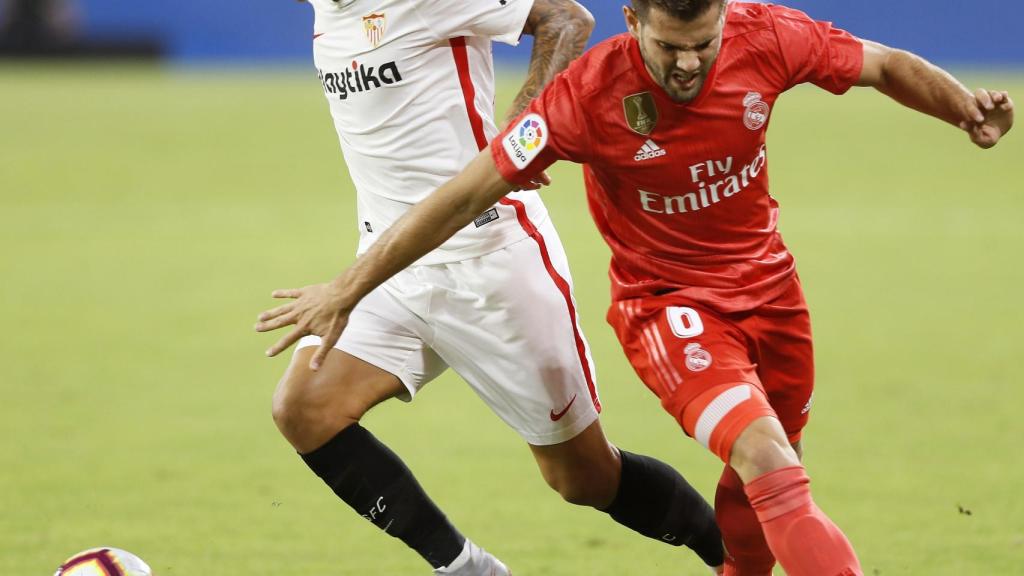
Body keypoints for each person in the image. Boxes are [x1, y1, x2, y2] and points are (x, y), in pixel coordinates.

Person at [257, 0, 1015, 575]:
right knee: (302, 409)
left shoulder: (767, 37)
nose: (689, 66)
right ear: (637, 22)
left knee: (618, 482)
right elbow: (462, 189)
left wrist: (962, 109)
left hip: (582, 275)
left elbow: (878, 64)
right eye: (670, 47)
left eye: (703, 46)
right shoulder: (578, 95)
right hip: (628, 301)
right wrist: (349, 285)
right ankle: (467, 568)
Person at [256, 0, 725, 574]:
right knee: (305, 409)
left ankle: (738, 555)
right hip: (392, 263)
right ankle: (466, 567)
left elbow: (567, 19)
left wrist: (527, 126)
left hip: (493, 261)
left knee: (583, 479)